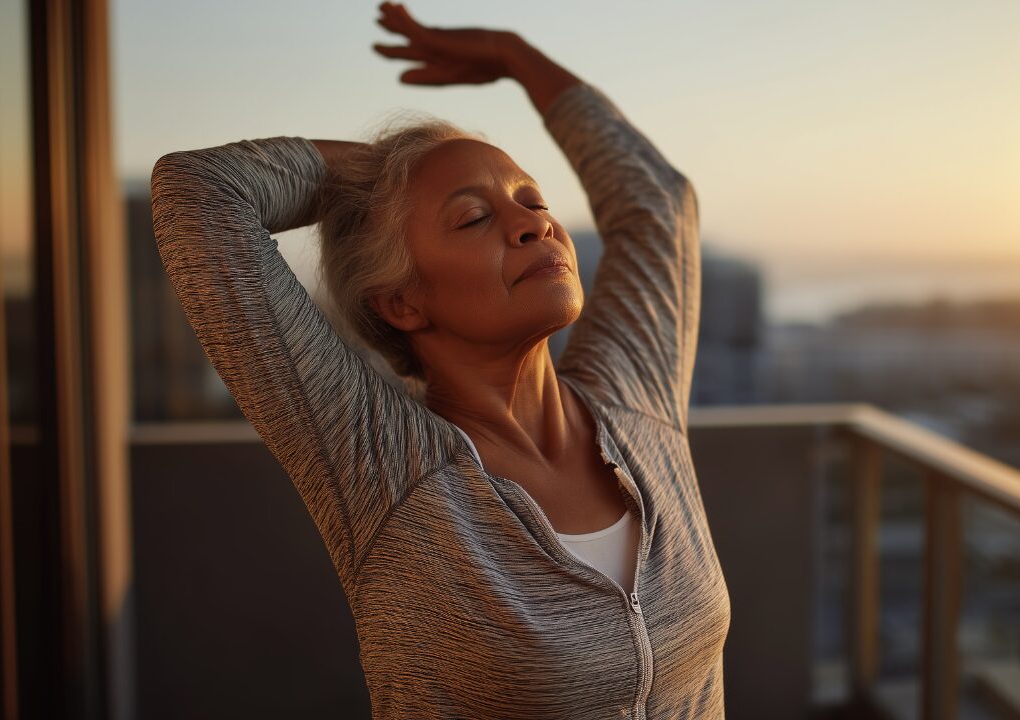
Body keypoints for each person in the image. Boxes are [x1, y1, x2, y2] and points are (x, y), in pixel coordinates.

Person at [149, 3, 730, 718]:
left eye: (532, 200)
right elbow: (200, 194)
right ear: (403, 302)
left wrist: (516, 56)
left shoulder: (636, 400)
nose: (533, 223)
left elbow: (658, 204)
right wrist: (388, 176)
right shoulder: (383, 462)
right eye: (473, 217)